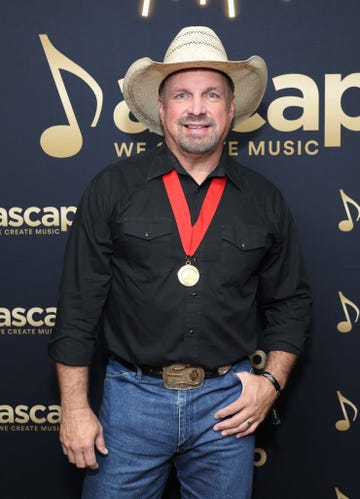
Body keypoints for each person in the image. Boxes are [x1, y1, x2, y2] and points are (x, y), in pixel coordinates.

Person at [49, 26, 312, 499]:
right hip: (129, 403)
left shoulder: (265, 201)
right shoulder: (111, 189)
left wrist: (271, 382)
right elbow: (77, 306)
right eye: (182, 95)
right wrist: (73, 408)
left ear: (230, 110)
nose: (196, 108)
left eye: (211, 94)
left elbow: (291, 302)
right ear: (162, 109)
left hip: (226, 407)